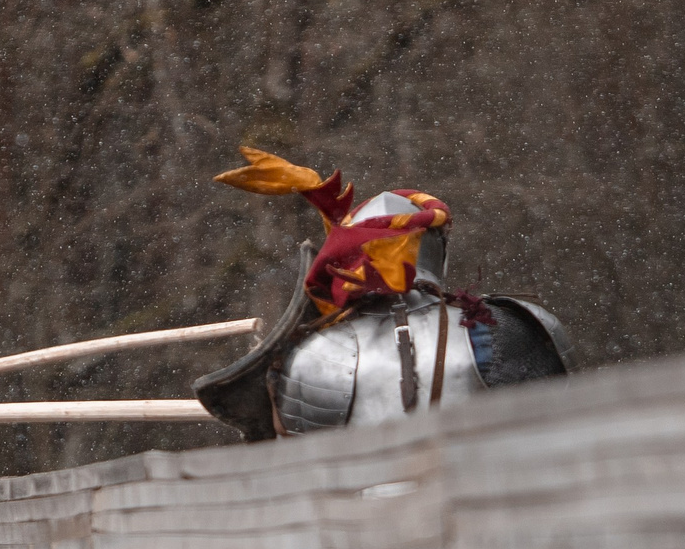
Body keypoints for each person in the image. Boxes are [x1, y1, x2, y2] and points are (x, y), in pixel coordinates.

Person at [194, 148, 573, 440]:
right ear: (436, 245)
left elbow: (306, 472)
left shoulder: (319, 357)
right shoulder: (506, 327)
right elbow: (560, 431)